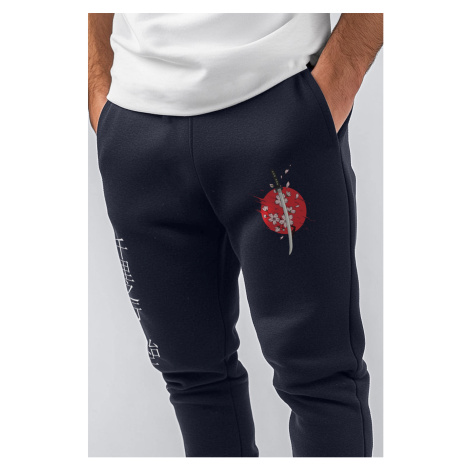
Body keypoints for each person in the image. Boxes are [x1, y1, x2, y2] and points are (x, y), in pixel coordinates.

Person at [88, 13, 383, 457]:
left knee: (320, 380)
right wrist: (98, 88)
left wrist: (342, 75)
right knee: (193, 378)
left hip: (278, 111)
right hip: (137, 132)